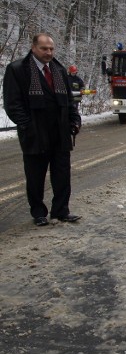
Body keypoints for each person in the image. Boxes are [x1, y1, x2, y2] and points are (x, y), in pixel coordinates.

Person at [2, 33, 82, 226]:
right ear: (33, 47)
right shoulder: (18, 69)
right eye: (44, 48)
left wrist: (74, 120)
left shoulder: (59, 70)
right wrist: (27, 126)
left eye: (51, 49)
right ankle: (38, 212)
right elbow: (13, 104)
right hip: (35, 134)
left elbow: (69, 102)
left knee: (62, 175)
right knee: (35, 176)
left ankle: (61, 211)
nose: (48, 52)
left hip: (60, 133)